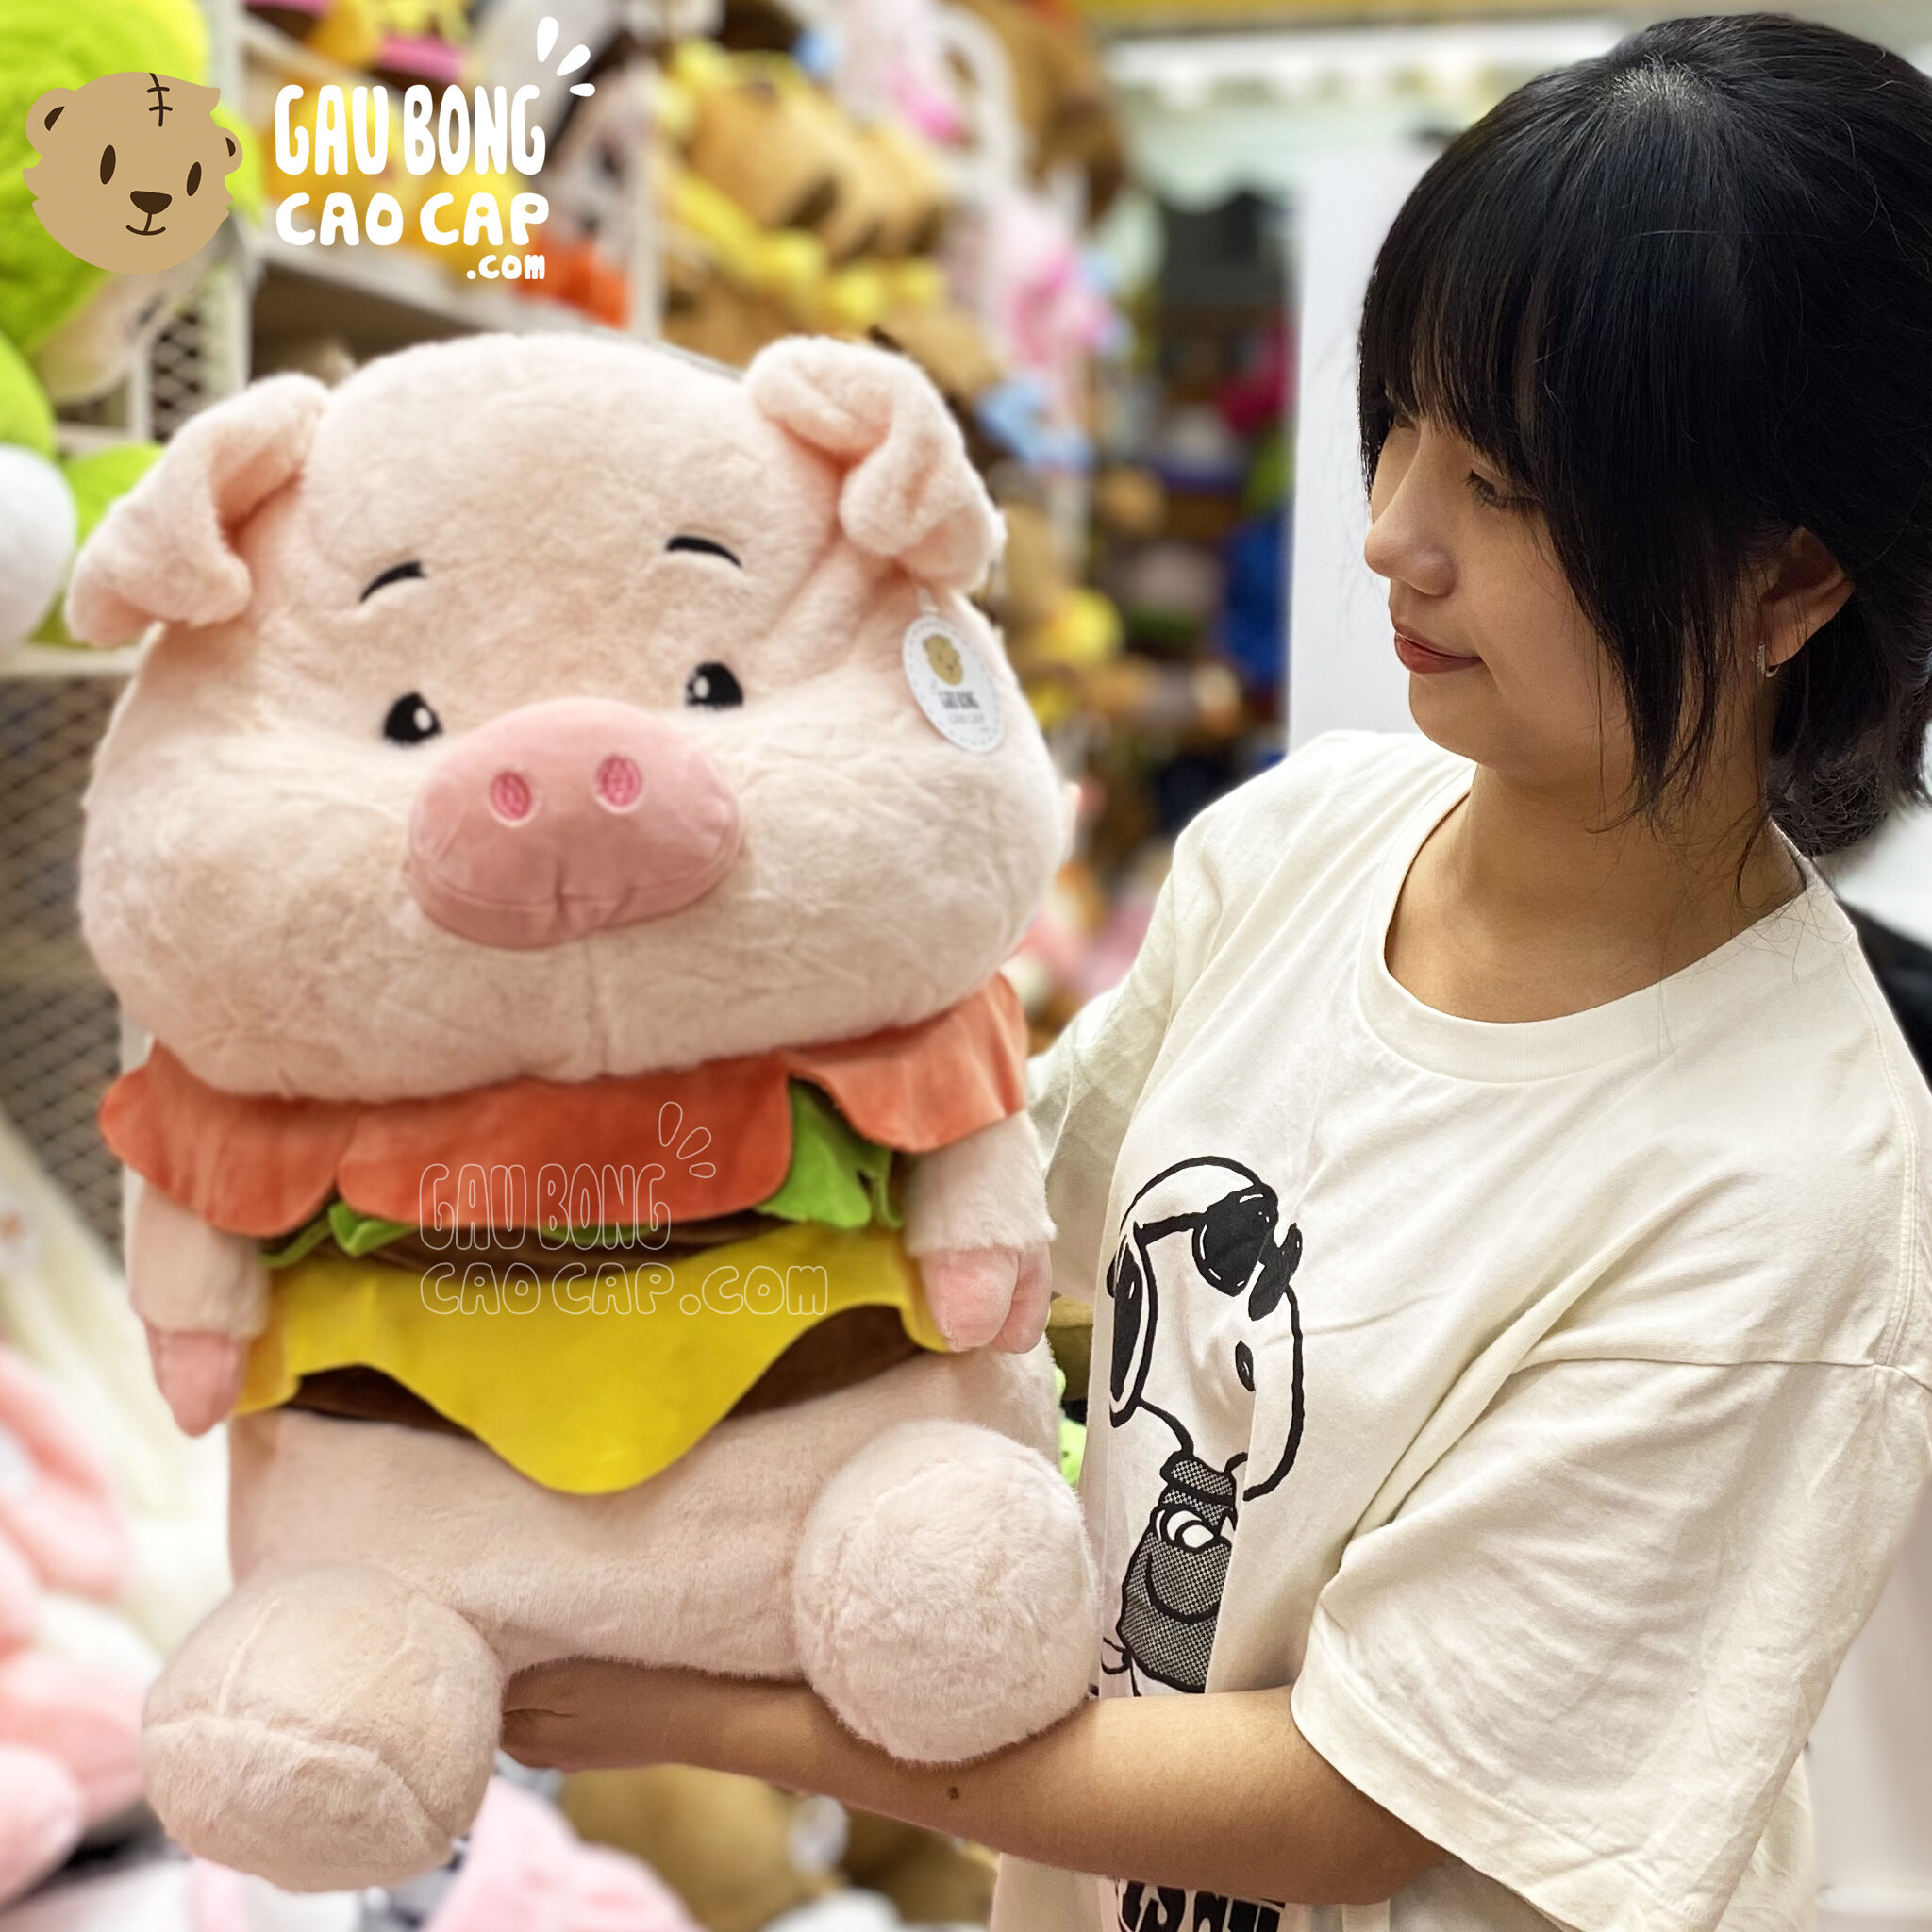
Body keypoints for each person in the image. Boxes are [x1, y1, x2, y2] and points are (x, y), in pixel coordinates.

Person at [504, 17, 1932, 1929]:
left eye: (1505, 483)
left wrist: (721, 1711)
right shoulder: (1303, 843)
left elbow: (1351, 1802)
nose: (1392, 534)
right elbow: (1010, 1226)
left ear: (1788, 581)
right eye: (1399, 421)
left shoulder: (1789, 1189)